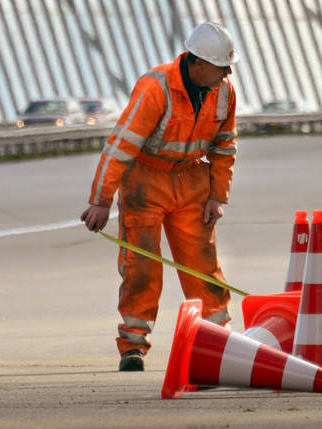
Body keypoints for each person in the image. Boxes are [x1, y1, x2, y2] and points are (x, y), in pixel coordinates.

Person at [80, 21, 239, 372]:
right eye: (222, 65)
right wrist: (101, 200)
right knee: (141, 266)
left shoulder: (224, 91)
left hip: (191, 181)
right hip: (145, 182)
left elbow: (225, 147)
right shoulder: (156, 87)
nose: (228, 71)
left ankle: (216, 339)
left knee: (202, 265)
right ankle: (133, 347)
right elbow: (121, 146)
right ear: (197, 63)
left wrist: (217, 196)